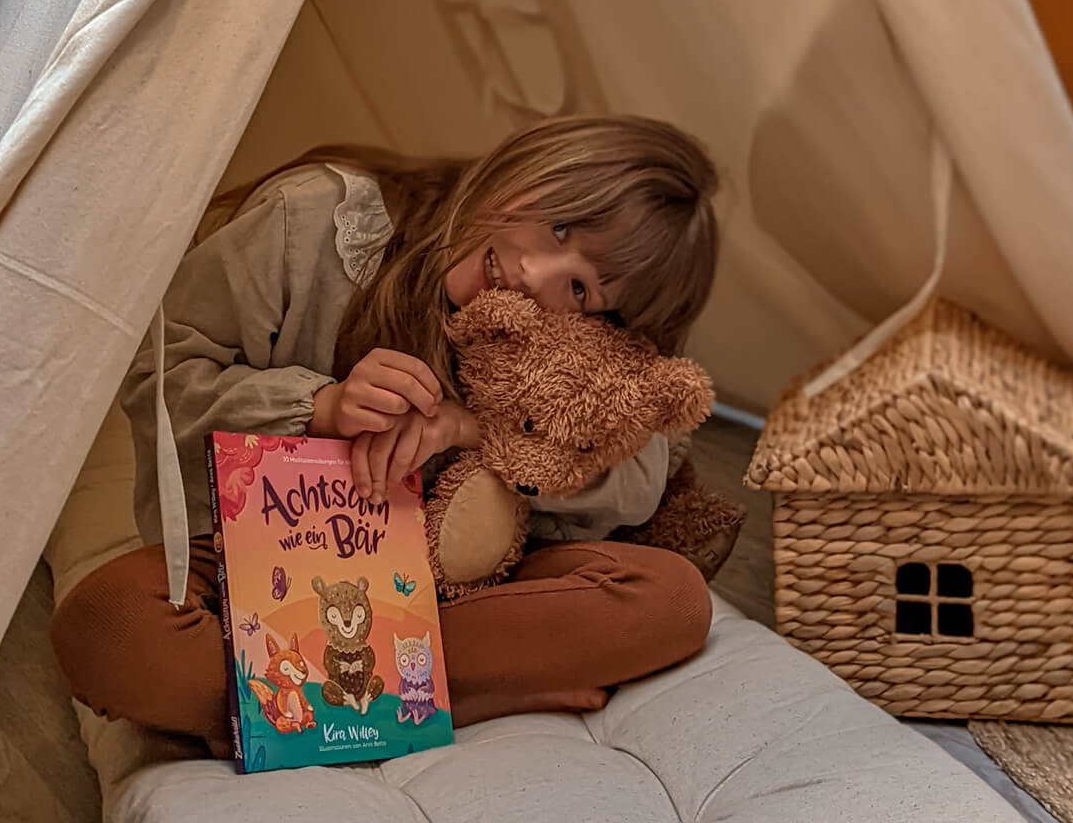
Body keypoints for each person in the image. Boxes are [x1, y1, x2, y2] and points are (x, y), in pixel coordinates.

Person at [50, 115, 722, 757]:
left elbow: (638, 478)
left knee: (670, 598)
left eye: (580, 290)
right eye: (559, 224)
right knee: (109, 629)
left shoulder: (571, 345)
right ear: (532, 163)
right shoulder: (316, 219)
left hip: (453, 589)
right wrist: (321, 406)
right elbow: (156, 380)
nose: (534, 275)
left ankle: (323, 704)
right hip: (264, 560)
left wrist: (477, 432)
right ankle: (445, 694)